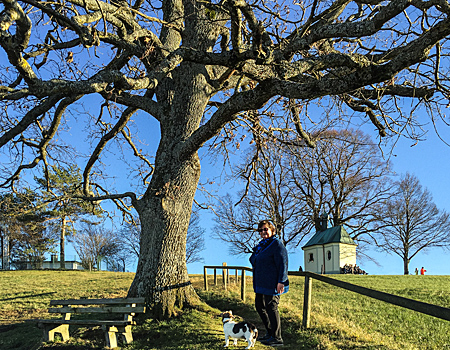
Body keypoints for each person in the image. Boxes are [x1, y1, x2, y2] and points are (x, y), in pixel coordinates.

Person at [249, 220, 289, 347]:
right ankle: (270, 333)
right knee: (259, 306)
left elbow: (283, 263)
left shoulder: (276, 244)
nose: (263, 232)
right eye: (260, 230)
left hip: (273, 283)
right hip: (261, 283)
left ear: (272, 230)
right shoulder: (262, 246)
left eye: (265, 229)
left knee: (272, 308)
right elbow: (254, 260)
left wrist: (281, 281)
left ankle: (277, 337)